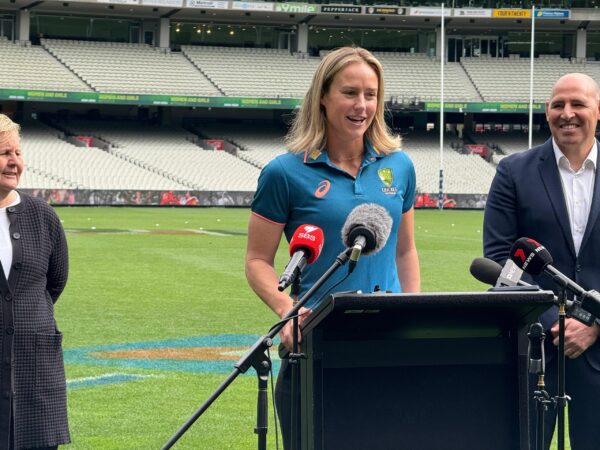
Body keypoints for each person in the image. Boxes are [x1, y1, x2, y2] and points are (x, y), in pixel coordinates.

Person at [245, 47, 420, 449]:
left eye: (371, 94)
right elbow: (257, 260)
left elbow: (404, 251)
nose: (362, 105)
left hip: (388, 340)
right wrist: (286, 312)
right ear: (322, 96)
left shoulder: (401, 166)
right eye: (350, 93)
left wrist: (415, 312)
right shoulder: (283, 173)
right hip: (316, 340)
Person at [483, 73, 600, 450]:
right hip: (534, 348)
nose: (567, 113)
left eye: (578, 104)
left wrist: (591, 322)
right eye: (557, 104)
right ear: (547, 111)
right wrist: (555, 321)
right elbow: (500, 258)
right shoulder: (513, 171)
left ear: (597, 110)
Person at [0, 114, 70, 450]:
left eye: (18, 152)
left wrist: (25, 314)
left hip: (35, 372)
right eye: (4, 153)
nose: (14, 162)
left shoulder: (42, 216)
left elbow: (55, 282)